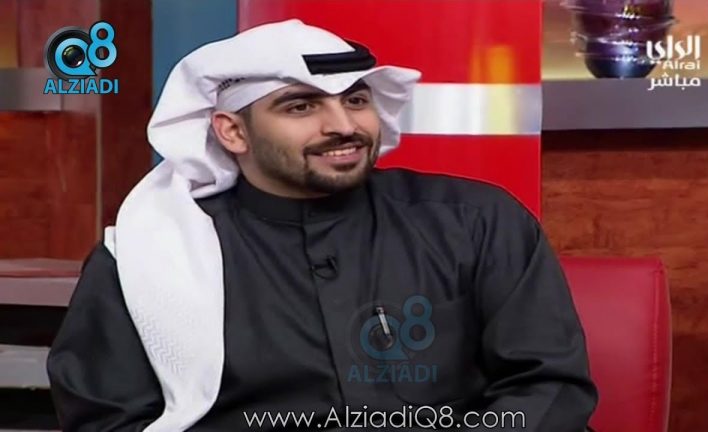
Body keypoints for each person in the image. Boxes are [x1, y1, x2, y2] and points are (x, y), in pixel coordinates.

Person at [47, 19, 598, 432]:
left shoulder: (474, 221)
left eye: (356, 100)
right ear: (232, 132)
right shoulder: (149, 256)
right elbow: (108, 419)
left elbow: (548, 387)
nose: (343, 125)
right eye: (301, 107)